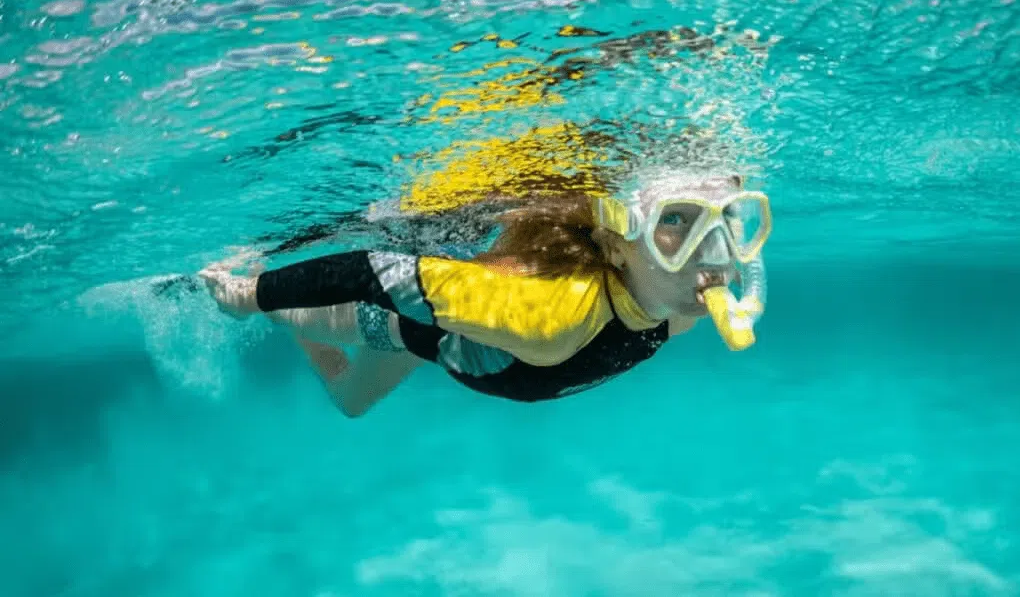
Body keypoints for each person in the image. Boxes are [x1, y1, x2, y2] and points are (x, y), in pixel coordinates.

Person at [200, 168, 772, 416]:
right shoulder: (546, 318)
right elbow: (370, 270)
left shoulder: (679, 305)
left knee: (352, 404)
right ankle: (273, 312)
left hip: (472, 337)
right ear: (620, 244)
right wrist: (248, 295)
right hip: (403, 325)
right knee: (297, 324)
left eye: (729, 223)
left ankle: (295, 334)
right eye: (678, 222)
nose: (714, 251)